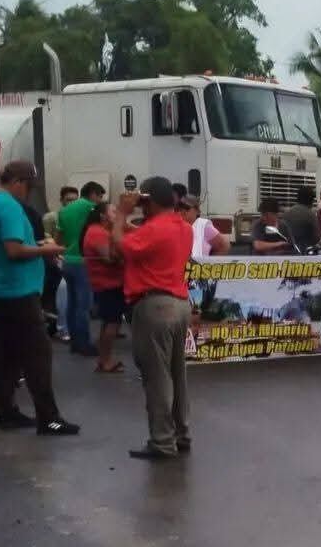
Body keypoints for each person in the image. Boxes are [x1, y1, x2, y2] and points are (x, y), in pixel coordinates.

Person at [0, 160, 79, 436]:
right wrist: (47, 251)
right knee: (38, 355)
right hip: (19, 291)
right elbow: (13, 250)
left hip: (0, 289)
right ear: (19, 182)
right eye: (28, 186)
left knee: (7, 355)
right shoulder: (10, 206)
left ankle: (7, 411)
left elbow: (6, 246)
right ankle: (49, 418)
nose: (28, 193)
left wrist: (36, 245)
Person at [112, 177, 194, 459]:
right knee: (176, 374)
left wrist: (121, 214)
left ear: (152, 201)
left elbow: (121, 247)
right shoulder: (182, 226)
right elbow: (143, 237)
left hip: (155, 305)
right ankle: (180, 434)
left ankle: (162, 441)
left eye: (144, 202)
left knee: (157, 378)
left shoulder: (155, 229)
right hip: (180, 303)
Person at [58, 181, 106, 356]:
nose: (100, 199)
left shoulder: (64, 211)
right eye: (99, 195)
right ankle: (84, 343)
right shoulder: (92, 208)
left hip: (67, 261)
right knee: (83, 305)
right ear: (93, 194)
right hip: (83, 261)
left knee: (71, 303)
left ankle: (74, 341)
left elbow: (59, 239)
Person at [81, 202, 127, 374]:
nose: (117, 214)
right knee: (112, 323)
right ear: (103, 216)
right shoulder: (97, 232)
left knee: (108, 322)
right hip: (108, 284)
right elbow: (110, 258)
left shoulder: (100, 231)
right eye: (113, 211)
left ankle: (103, 359)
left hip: (110, 283)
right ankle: (106, 361)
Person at [44, 186, 78, 340]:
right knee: (63, 291)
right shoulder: (51, 218)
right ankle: (62, 328)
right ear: (61, 201)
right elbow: (46, 238)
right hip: (57, 260)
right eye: (68, 200)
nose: (71, 203)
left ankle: (72, 327)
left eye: (74, 200)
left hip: (76, 261)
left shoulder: (81, 218)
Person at [179, 194, 230, 261]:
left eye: (187, 208)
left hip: (198, 269)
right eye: (181, 207)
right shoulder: (176, 225)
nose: (183, 211)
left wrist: (210, 263)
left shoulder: (203, 226)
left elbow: (224, 245)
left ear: (197, 211)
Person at [283, 186, 320, 253]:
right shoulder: (310, 215)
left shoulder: (287, 213)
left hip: (287, 250)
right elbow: (316, 238)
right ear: (311, 199)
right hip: (304, 252)